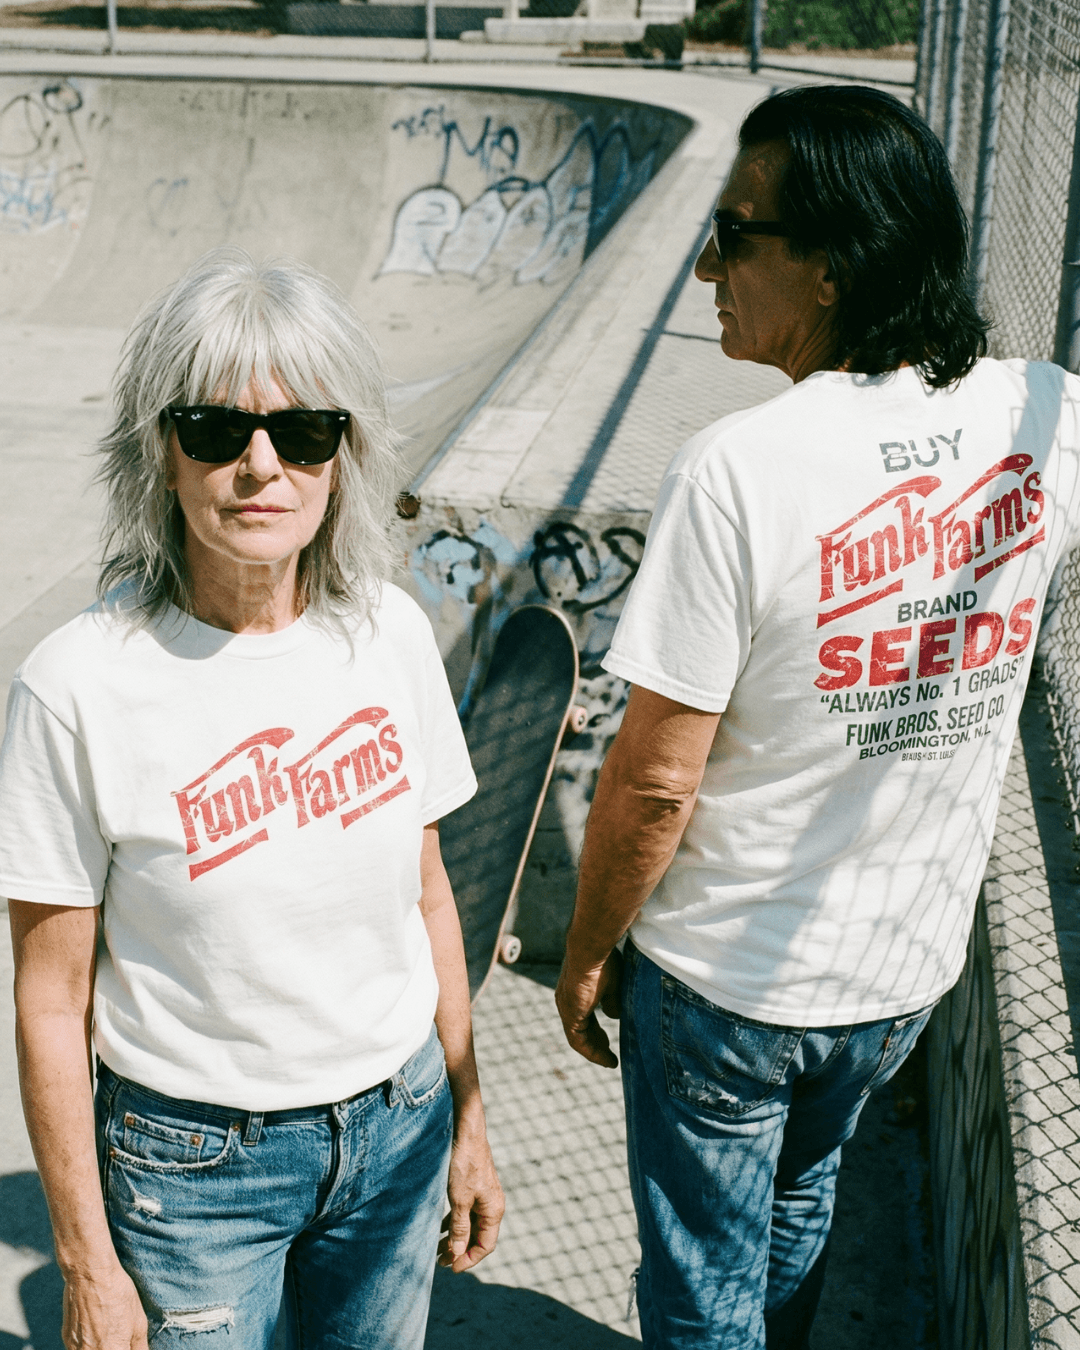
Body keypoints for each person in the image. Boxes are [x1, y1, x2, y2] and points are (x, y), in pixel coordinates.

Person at [555, 84, 1080, 1349]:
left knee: (700, 1298)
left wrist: (584, 954)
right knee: (796, 1209)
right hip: (899, 978)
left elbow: (655, 780)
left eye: (735, 234)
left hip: (732, 984)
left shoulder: (742, 467)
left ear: (833, 268)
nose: (705, 267)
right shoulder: (1047, 418)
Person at [0, 248, 503, 1350]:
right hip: (193, 1175)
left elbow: (427, 897)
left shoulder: (392, 637)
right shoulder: (77, 688)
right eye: (217, 430)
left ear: (344, 456)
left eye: (304, 432)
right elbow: (49, 1003)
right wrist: (85, 1264)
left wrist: (466, 1116)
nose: (260, 465)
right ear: (162, 454)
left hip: (399, 1123)